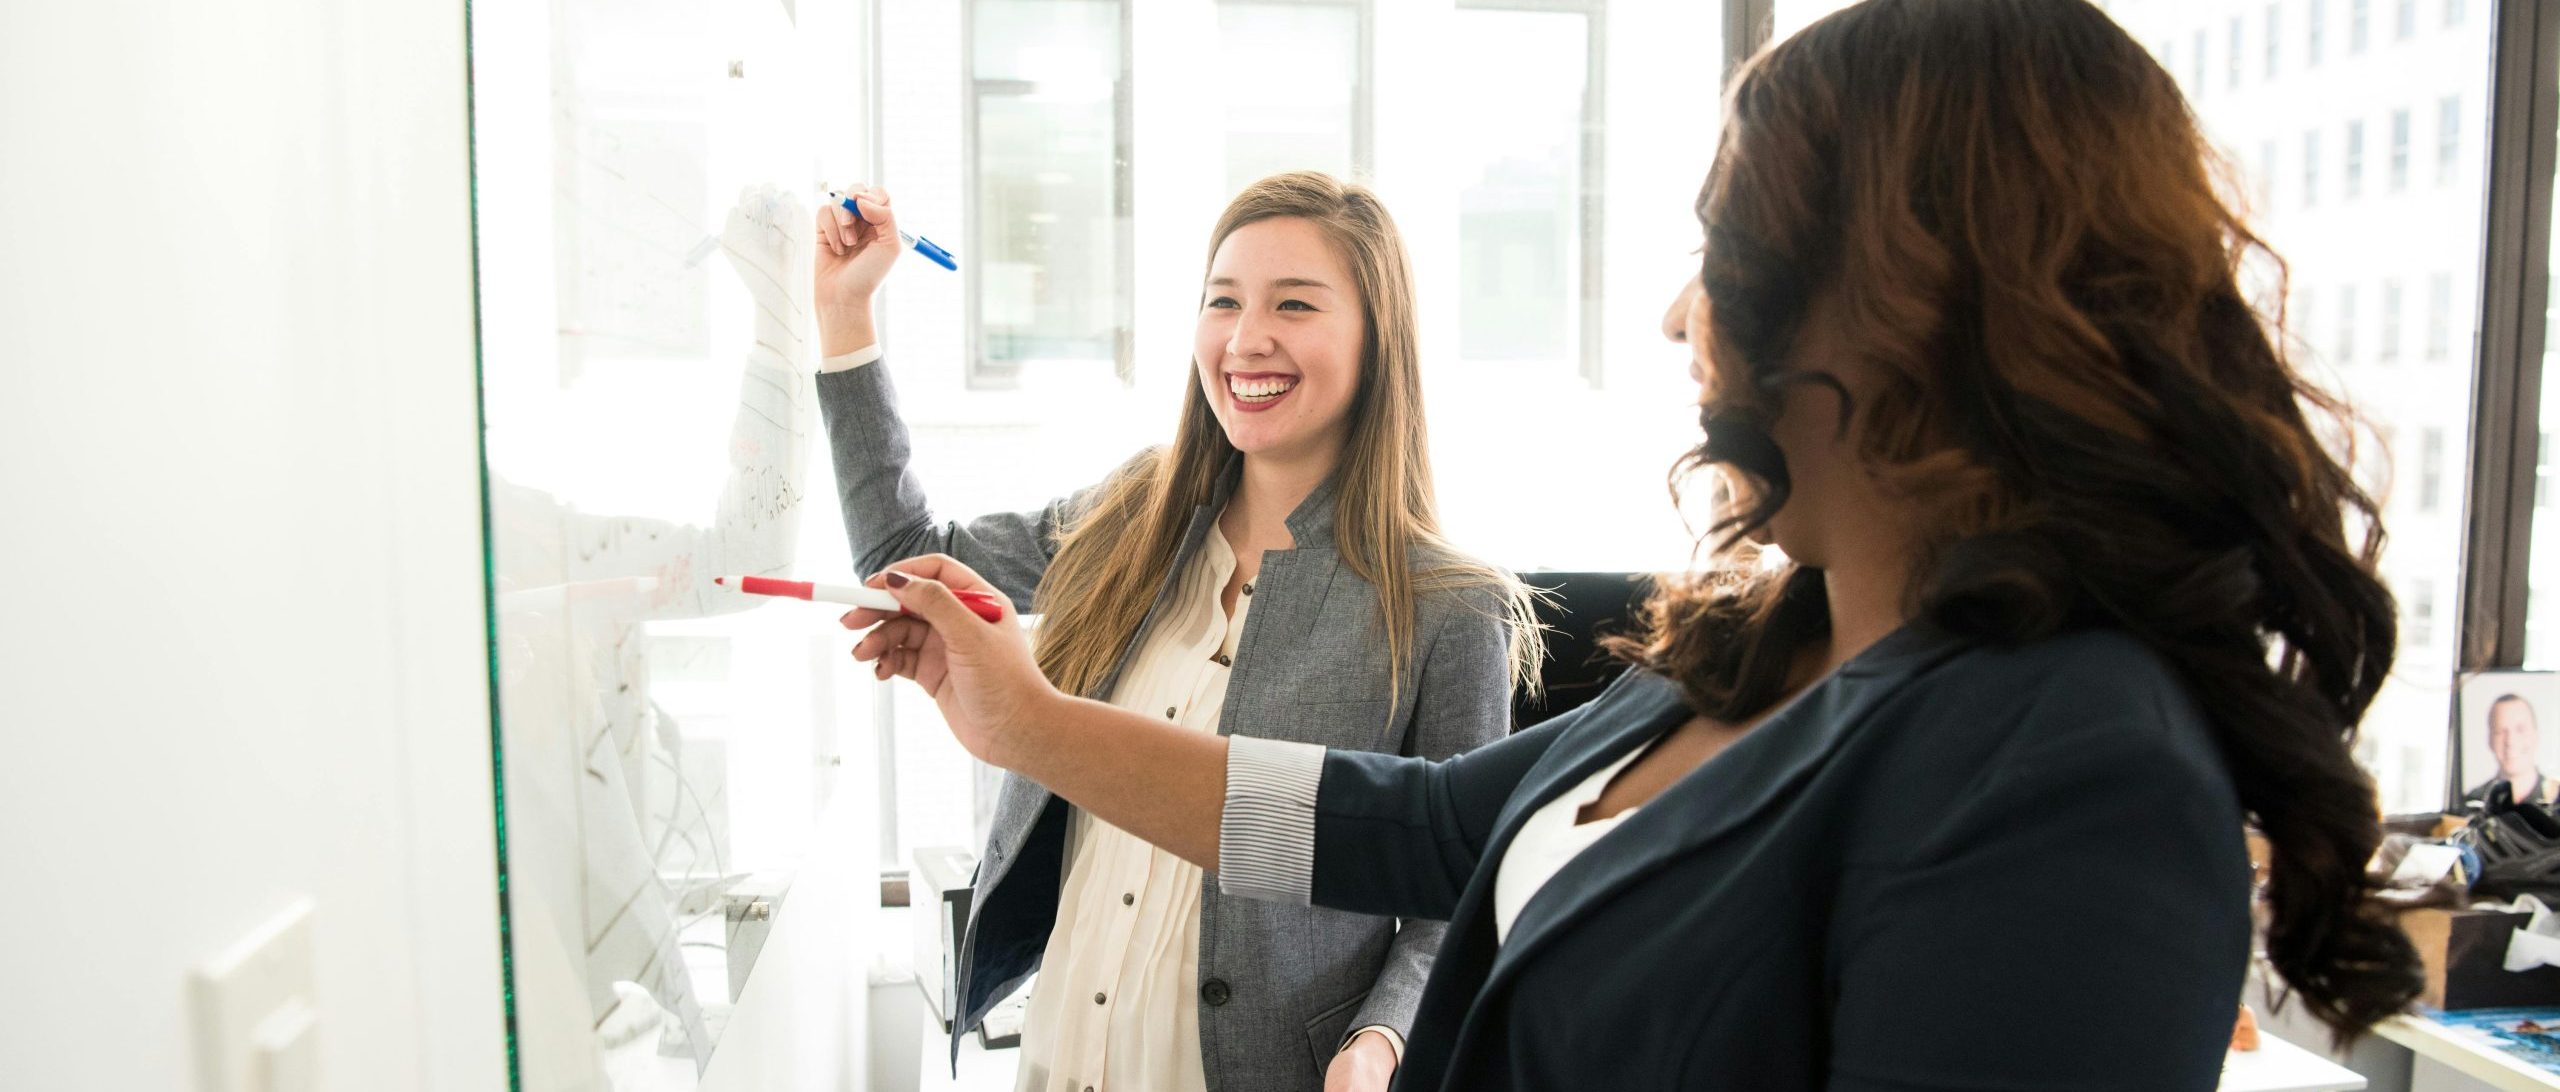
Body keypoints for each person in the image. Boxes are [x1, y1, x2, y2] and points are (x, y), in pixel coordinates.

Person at [840, 1, 2424, 1087]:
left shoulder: (2071, 766)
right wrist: (1030, 725)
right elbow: (1416, 824)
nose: (1680, 312)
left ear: (1912, 299)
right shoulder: (1767, 644)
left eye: (1724, 253)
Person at [810, 171, 1543, 1092]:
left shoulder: (1448, 605)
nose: (1246, 339)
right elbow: (907, 556)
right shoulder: (1133, 516)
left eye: (1295, 304)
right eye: (1222, 302)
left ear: (1377, 338)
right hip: (1059, 1063)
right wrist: (845, 315)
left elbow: (1462, 897)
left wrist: (1383, 1038)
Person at [2467, 695, 2555, 807]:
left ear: (2536, 736)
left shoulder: (2556, 799)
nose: (2510, 741)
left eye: (2520, 730)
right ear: (2489, 740)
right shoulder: (2470, 802)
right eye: (2500, 731)